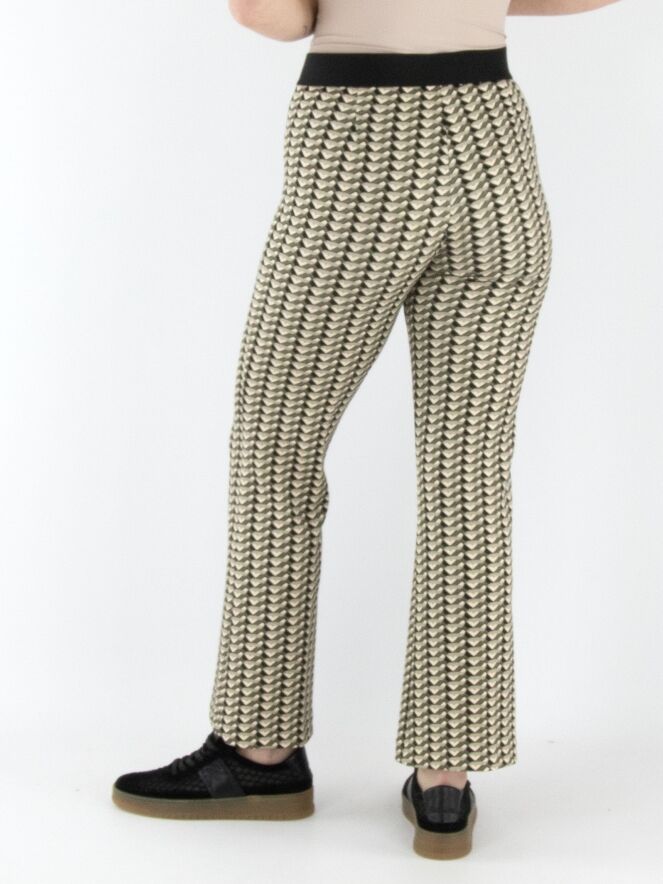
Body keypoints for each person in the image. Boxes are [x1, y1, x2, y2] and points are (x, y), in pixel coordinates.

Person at [112, 0, 621, 861]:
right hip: (496, 147)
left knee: (276, 450)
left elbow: (271, 16)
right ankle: (444, 778)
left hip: (363, 144)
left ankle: (260, 751)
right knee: (466, 471)